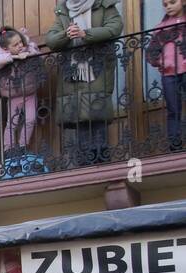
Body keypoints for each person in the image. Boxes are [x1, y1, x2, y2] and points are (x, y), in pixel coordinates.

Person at [46, 0, 124, 168]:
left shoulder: (103, 5)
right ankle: (84, 162)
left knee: (98, 112)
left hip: (97, 67)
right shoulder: (63, 11)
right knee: (78, 116)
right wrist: (66, 34)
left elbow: (115, 27)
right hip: (72, 71)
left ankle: (101, 161)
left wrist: (85, 34)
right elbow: (51, 40)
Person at [0, 27, 44, 160]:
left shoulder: (27, 46)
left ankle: (23, 146)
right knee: (12, 122)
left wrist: (27, 52)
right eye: (15, 45)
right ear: (6, 48)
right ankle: (8, 149)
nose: (20, 45)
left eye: (20, 42)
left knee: (30, 119)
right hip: (14, 94)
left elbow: (36, 52)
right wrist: (14, 57)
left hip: (30, 92)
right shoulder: (0, 53)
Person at [149, 0, 186, 149]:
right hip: (169, 74)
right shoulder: (160, 28)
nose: (168, 6)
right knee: (173, 109)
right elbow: (151, 52)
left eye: (172, 2)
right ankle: (174, 144)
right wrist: (160, 61)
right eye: (165, 4)